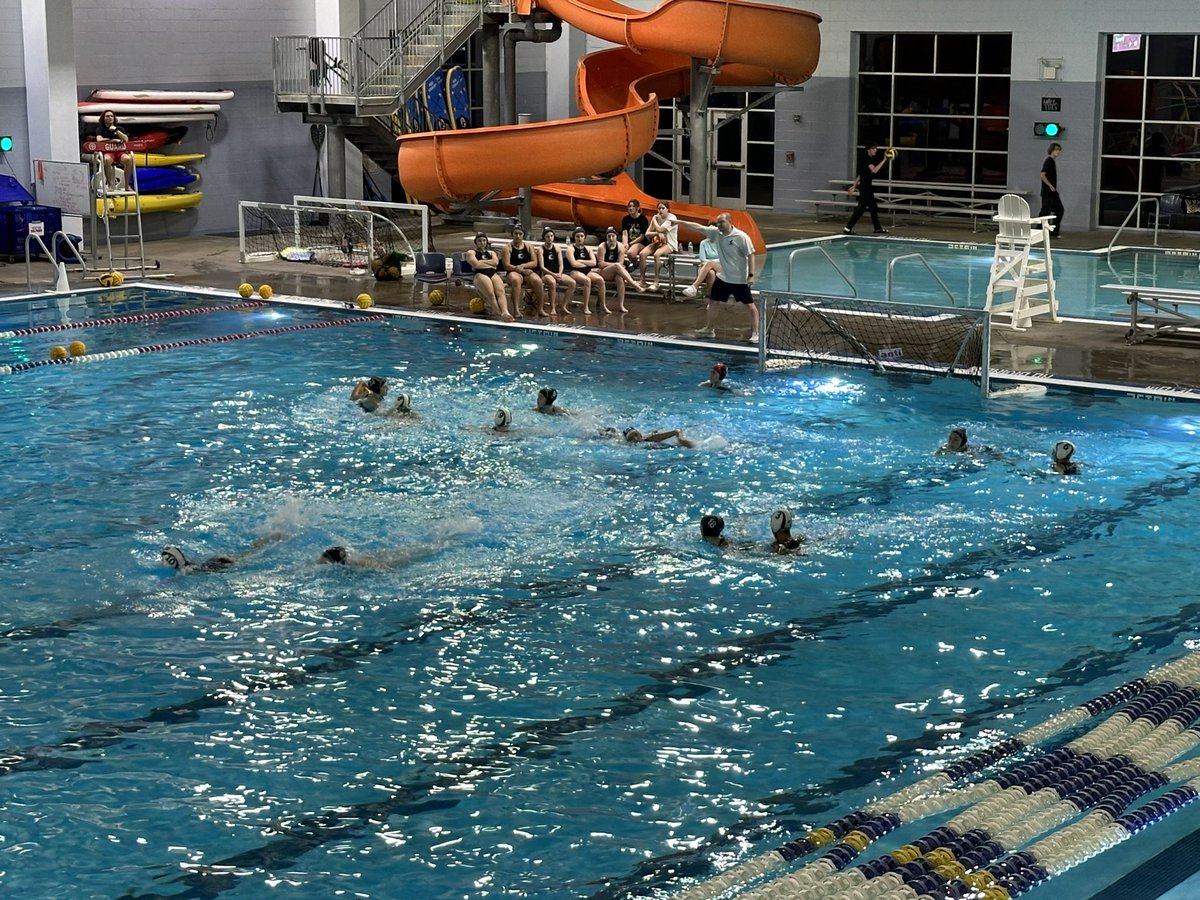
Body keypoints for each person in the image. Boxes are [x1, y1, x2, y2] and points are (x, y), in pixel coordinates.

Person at [694, 212, 759, 343]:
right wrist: (679, 222)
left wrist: (751, 275)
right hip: (723, 277)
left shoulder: (741, 237)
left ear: (730, 222)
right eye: (717, 223)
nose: (718, 225)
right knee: (713, 302)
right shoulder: (717, 234)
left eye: (721, 222)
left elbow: (751, 255)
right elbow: (697, 227)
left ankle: (755, 333)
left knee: (750, 306)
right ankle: (709, 329)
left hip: (738, 279)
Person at [160, 532, 287, 575]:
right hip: (221, 561)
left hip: (221, 561)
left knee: (250, 555)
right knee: (249, 555)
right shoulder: (189, 568)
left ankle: (274, 537)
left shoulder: (188, 571)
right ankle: (189, 567)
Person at [843, 141, 891, 235]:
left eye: (876, 148)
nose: (875, 150)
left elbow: (860, 175)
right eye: (873, 149)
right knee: (860, 209)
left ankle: (877, 228)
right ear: (868, 150)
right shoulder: (867, 160)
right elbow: (875, 170)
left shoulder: (867, 159)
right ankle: (848, 228)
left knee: (873, 207)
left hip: (867, 187)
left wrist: (854, 186)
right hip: (865, 188)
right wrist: (885, 159)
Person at [466, 233, 513, 322]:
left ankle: (506, 312)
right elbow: (475, 264)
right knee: (491, 295)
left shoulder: (492, 252)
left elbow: (496, 263)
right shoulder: (471, 252)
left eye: (484, 240)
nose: (482, 243)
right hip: (480, 275)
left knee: (500, 292)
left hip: (492, 273)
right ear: (475, 242)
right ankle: (501, 314)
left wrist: (481, 262)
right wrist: (488, 263)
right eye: (479, 241)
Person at [501, 224, 544, 318]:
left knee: (538, 281)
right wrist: (521, 270)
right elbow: (506, 266)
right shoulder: (507, 248)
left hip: (527, 272)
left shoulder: (529, 246)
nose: (518, 236)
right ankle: (516, 309)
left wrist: (523, 266)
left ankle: (540, 308)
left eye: (520, 234)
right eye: (516, 234)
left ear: (523, 235)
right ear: (512, 234)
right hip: (513, 272)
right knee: (516, 280)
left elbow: (534, 262)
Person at [636, 201, 679, 291]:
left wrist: (654, 220)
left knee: (657, 254)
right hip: (657, 242)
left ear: (668, 209)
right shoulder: (657, 217)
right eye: (659, 208)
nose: (660, 210)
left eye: (663, 208)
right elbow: (647, 233)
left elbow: (660, 229)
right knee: (642, 254)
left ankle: (656, 281)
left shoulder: (672, 218)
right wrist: (657, 233)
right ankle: (642, 280)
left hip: (669, 243)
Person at [565, 228, 607, 315]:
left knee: (601, 280)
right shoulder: (571, 249)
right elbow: (573, 264)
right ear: (574, 237)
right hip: (574, 272)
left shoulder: (588, 249)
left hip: (587, 271)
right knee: (587, 281)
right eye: (577, 236)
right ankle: (586, 307)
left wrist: (581, 261)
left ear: (584, 237)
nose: (580, 238)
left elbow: (594, 262)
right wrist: (587, 264)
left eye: (581, 236)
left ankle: (603, 305)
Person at [92, 110, 135, 191]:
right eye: (107, 116)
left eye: (111, 116)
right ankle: (110, 184)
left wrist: (116, 130)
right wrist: (113, 140)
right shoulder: (100, 129)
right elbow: (99, 140)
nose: (110, 118)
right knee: (107, 160)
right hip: (108, 152)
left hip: (120, 152)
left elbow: (126, 139)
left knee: (128, 159)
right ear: (103, 118)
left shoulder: (119, 128)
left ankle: (126, 185)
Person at [537, 227, 575, 315]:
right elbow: (542, 267)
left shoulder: (557, 248)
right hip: (546, 274)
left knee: (572, 283)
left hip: (557, 273)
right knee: (552, 282)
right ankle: (552, 307)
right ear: (544, 238)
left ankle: (563, 305)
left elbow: (561, 264)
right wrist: (553, 274)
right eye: (547, 236)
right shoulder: (541, 249)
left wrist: (560, 273)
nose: (550, 238)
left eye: (551, 236)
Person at [598, 227, 637, 313]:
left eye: (612, 236)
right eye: (609, 236)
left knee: (619, 278)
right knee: (617, 266)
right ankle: (633, 283)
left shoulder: (620, 246)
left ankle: (621, 305)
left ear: (616, 236)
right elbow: (600, 264)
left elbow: (621, 263)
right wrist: (614, 265)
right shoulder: (602, 247)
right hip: (604, 272)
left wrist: (616, 266)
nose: (611, 238)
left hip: (616, 272)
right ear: (606, 237)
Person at [1038, 142, 1064, 237]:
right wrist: (1050, 185)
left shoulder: (1052, 161)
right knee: (1046, 211)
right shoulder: (1049, 161)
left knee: (1058, 210)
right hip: (1048, 192)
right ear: (1052, 150)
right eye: (1056, 150)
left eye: (1059, 150)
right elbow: (1042, 175)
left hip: (1052, 192)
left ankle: (1053, 231)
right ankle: (1039, 229)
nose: (1058, 152)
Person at [620, 426, 695, 448]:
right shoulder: (626, 446)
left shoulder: (650, 438)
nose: (635, 439)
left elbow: (677, 431)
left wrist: (681, 439)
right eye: (631, 438)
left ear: (640, 435)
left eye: (636, 435)